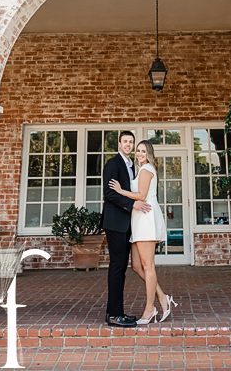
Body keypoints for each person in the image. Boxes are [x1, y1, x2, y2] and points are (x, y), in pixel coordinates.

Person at [109, 139, 177, 324]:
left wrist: (120, 190)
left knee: (148, 266)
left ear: (149, 154)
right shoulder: (141, 170)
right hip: (138, 220)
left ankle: (149, 310)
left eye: (143, 151)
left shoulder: (147, 170)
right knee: (137, 266)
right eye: (138, 150)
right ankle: (163, 297)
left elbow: (141, 195)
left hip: (146, 220)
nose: (139, 154)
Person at [101, 130, 150, 327]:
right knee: (117, 267)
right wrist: (132, 205)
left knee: (120, 269)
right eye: (125, 142)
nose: (128, 145)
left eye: (131, 142)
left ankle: (114, 312)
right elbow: (109, 193)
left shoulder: (132, 166)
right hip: (115, 223)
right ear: (119, 144)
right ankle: (115, 315)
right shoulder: (113, 164)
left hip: (126, 224)